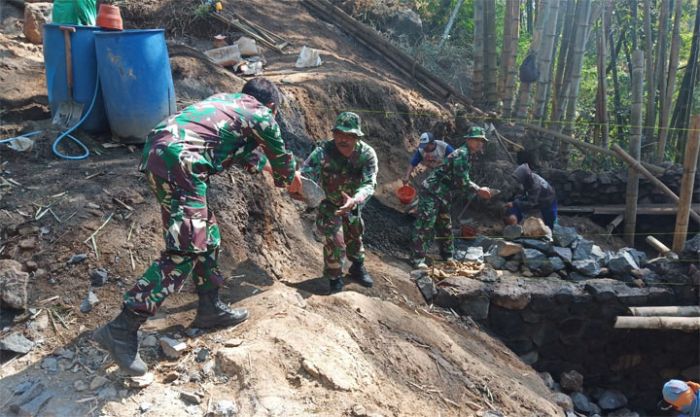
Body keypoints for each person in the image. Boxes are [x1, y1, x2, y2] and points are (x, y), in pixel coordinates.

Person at [94, 78, 302, 376]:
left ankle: (209, 308)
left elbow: (240, 154)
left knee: (209, 236)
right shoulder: (263, 115)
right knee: (186, 249)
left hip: (161, 154)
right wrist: (291, 180)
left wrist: (263, 164)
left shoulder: (226, 105)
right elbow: (283, 167)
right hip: (183, 162)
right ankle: (121, 328)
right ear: (271, 106)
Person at [301, 112, 378, 294]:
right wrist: (302, 191)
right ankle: (335, 277)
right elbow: (305, 174)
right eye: (339, 134)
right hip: (329, 204)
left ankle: (357, 267)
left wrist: (355, 200)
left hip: (354, 203)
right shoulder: (323, 151)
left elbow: (370, 183)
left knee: (355, 234)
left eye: (348, 136)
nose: (342, 139)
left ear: (357, 137)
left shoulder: (367, 154)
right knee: (336, 241)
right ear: (334, 133)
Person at [410, 126, 492, 269]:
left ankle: (447, 256)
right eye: (477, 139)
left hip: (443, 193)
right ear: (468, 140)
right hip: (431, 191)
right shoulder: (461, 154)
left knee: (445, 225)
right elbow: (462, 181)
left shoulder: (467, 155)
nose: (480, 143)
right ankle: (417, 259)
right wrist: (479, 190)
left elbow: (459, 180)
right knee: (426, 224)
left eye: (482, 140)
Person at [504, 163, 557, 229]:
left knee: (550, 221)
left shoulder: (535, 185)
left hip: (549, 201)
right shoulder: (528, 180)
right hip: (540, 198)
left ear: (525, 177)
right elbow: (524, 194)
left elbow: (531, 203)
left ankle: (551, 235)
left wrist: (514, 203)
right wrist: (517, 201)